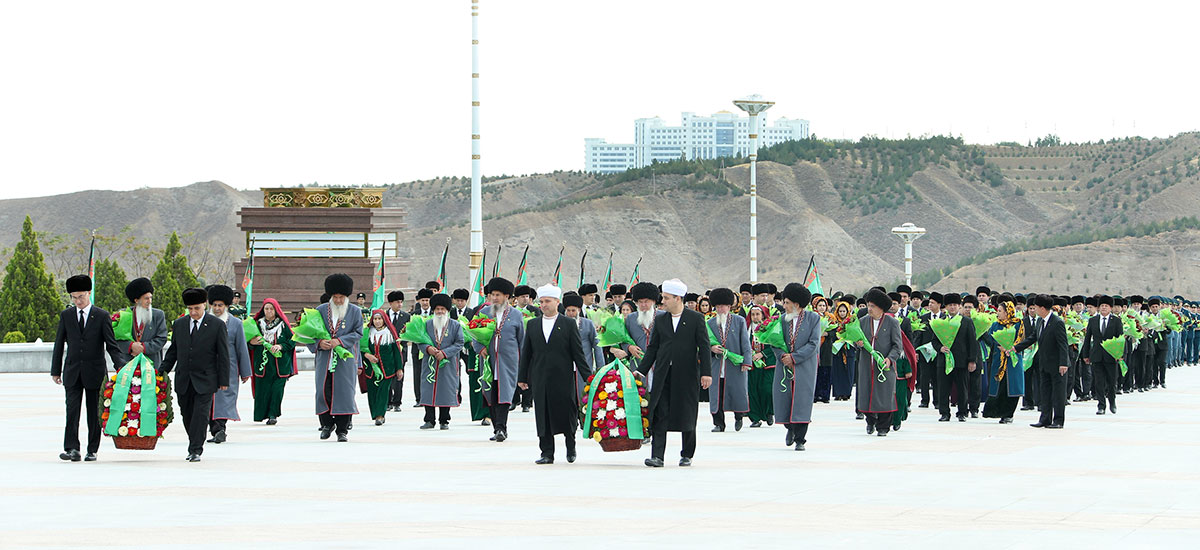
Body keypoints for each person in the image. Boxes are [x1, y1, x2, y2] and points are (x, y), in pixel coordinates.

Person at [637, 279, 711, 467]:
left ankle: (687, 453)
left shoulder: (695, 319)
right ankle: (658, 456)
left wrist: (706, 373)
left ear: (678, 298)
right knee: (659, 413)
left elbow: (704, 347)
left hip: (687, 376)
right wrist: (641, 371)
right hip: (664, 374)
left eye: (666, 298)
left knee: (687, 413)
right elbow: (653, 348)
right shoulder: (661, 320)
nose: (663, 302)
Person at [51, 275, 124, 462]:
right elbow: (59, 343)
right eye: (74, 297)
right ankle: (72, 448)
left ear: (89, 293)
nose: (77, 301)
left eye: (81, 297)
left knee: (94, 413)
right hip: (72, 371)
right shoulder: (66, 315)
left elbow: (111, 345)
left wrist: (120, 367)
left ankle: (92, 449)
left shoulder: (101, 316)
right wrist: (55, 370)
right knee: (72, 411)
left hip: (95, 372)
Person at [519, 285, 593, 464]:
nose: (543, 305)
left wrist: (589, 378)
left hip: (563, 377)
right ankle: (547, 452)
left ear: (557, 302)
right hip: (540, 377)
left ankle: (570, 446)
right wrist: (522, 378)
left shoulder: (567, 324)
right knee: (542, 415)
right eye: (542, 302)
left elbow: (578, 354)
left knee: (566, 413)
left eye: (547, 301)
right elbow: (526, 353)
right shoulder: (533, 324)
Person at [159, 288, 230, 462]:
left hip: (206, 379)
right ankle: (194, 441)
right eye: (190, 309)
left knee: (200, 414)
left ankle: (195, 449)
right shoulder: (180, 324)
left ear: (204, 305)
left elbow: (223, 355)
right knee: (187, 413)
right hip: (184, 379)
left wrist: (223, 379)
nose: (193, 312)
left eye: (197, 308)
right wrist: (161, 371)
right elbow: (173, 352)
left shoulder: (216, 325)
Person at [307, 274, 364, 442]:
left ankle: (342, 429)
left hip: (345, 360)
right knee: (323, 390)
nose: (338, 300)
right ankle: (326, 424)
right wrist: (319, 343)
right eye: (335, 297)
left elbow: (358, 333)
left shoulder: (355, 311)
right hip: (324, 358)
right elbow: (310, 333)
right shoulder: (320, 310)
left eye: (341, 297)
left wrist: (340, 341)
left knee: (344, 392)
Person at [771, 283, 822, 451]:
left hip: (804, 366)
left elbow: (813, 343)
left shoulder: (813, 319)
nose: (784, 306)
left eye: (786, 302)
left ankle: (800, 438)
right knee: (783, 398)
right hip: (784, 365)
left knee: (802, 401)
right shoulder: (781, 319)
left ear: (797, 304)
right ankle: (789, 428)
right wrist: (783, 357)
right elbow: (773, 341)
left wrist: (794, 357)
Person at [473, 277, 524, 442]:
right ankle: (497, 428)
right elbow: (474, 335)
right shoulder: (483, 313)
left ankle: (501, 428)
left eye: (498, 295)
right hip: (488, 362)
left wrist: (524, 365)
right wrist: (479, 348)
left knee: (505, 395)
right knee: (491, 394)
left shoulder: (516, 315)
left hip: (508, 362)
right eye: (492, 295)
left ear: (507, 296)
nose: (494, 298)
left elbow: (522, 341)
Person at [1011, 294, 1069, 428]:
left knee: (1058, 394)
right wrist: (1016, 348)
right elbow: (1032, 338)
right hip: (1044, 363)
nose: (1034, 309)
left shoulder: (1057, 322)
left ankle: (1058, 421)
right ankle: (1045, 419)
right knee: (1045, 392)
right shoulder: (1039, 321)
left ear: (1043, 308)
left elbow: (1063, 345)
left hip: (1057, 365)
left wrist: (1063, 363)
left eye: (1036, 307)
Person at [206, 285, 252, 444]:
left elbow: (242, 348)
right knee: (208, 401)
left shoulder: (235, 324)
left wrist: (245, 371)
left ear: (226, 306)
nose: (217, 309)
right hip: (206, 369)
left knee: (224, 400)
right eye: (215, 305)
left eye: (221, 305)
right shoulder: (204, 321)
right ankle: (213, 429)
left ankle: (220, 430)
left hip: (229, 370)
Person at [855, 289, 904, 436]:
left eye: (873, 306)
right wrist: (857, 343)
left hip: (884, 366)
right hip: (866, 365)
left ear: (881, 308)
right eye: (868, 305)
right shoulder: (862, 322)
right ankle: (870, 422)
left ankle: (883, 426)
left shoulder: (892, 322)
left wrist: (890, 359)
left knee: (885, 395)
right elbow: (853, 340)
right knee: (867, 392)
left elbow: (897, 345)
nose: (869, 309)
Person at [706, 288, 752, 432]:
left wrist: (747, 361)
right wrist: (712, 349)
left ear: (729, 306)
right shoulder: (710, 323)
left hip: (735, 363)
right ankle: (719, 423)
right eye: (718, 306)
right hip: (716, 364)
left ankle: (738, 417)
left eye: (723, 306)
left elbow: (745, 342)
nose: (721, 309)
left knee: (737, 391)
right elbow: (704, 343)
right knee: (716, 394)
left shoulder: (739, 321)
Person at [419, 294, 463, 430]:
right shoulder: (426, 324)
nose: (440, 312)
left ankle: (444, 420)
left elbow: (459, 343)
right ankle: (429, 420)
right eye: (437, 309)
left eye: (442, 309)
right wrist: (428, 349)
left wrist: (445, 353)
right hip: (430, 362)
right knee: (428, 389)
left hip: (448, 364)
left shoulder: (455, 325)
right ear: (433, 310)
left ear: (447, 310)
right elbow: (419, 341)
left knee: (446, 390)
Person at [250, 298, 295, 424]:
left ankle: (273, 415)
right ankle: (262, 414)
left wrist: (280, 346)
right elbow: (247, 341)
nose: (269, 311)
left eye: (271, 309)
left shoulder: (283, 325)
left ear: (276, 310)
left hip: (280, 365)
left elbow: (292, 341)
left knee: (277, 391)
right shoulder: (257, 324)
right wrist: (251, 343)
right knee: (263, 391)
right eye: (266, 309)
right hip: (262, 364)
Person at [980, 299, 1025, 423]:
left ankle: (1008, 414)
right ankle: (995, 411)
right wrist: (998, 345)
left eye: (1000, 311)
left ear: (1007, 312)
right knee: (998, 386)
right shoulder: (995, 324)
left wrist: (1011, 348)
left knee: (1011, 387)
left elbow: (1020, 339)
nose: (998, 313)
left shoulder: (1018, 323)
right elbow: (991, 339)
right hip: (998, 359)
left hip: (1012, 360)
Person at [935, 293, 978, 422]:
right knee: (943, 388)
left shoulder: (966, 321)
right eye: (950, 305)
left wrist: (972, 360)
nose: (952, 307)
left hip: (961, 361)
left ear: (959, 306)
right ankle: (944, 413)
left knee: (962, 388)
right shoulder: (940, 321)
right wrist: (940, 348)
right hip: (944, 361)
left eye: (955, 305)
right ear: (946, 307)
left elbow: (972, 342)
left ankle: (962, 412)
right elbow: (934, 340)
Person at [115, 277, 168, 371]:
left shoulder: (158, 315)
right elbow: (116, 339)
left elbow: (161, 338)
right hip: (128, 365)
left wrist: (143, 348)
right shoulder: (124, 315)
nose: (150, 301)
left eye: (151, 298)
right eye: (146, 298)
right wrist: (131, 346)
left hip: (151, 366)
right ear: (136, 300)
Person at [362, 309, 404, 426]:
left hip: (387, 368)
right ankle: (375, 414)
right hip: (371, 369)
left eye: (379, 319)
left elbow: (396, 352)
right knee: (372, 392)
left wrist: (399, 368)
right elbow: (360, 349)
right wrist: (367, 355)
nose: (377, 321)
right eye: (375, 319)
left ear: (384, 320)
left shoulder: (390, 333)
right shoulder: (367, 333)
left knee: (383, 391)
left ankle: (380, 415)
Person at [563, 292, 605, 403]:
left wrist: (601, 368)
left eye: (574, 310)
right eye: (568, 310)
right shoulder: (560, 325)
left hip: (583, 367)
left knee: (583, 397)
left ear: (579, 310)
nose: (571, 314)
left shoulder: (587, 324)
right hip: (564, 367)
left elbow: (597, 346)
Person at [745, 305, 775, 427]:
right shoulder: (746, 329)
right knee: (753, 391)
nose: (755, 317)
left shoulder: (769, 328)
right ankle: (755, 418)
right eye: (753, 314)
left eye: (758, 314)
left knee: (767, 389)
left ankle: (769, 412)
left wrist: (762, 354)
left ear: (763, 315)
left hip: (767, 364)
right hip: (751, 364)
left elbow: (774, 345)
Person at [385, 290, 410, 411]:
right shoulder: (383, 316)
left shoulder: (406, 316)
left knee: (399, 376)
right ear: (390, 303)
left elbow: (409, 333)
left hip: (401, 351)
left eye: (401, 302)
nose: (400, 304)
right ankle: (388, 401)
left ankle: (397, 402)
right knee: (387, 376)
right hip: (387, 351)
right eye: (397, 302)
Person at [830, 301, 855, 401]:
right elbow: (832, 334)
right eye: (840, 311)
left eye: (844, 311)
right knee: (838, 372)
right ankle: (838, 393)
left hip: (849, 350)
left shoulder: (852, 322)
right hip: (837, 351)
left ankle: (846, 393)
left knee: (848, 371)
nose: (842, 313)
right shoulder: (834, 323)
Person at [812, 296, 834, 404]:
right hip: (815, 346)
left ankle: (825, 395)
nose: (822, 307)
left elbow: (836, 332)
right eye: (820, 305)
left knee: (826, 371)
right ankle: (815, 395)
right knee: (816, 372)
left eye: (824, 305)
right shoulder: (812, 316)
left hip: (826, 347)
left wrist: (827, 333)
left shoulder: (830, 318)